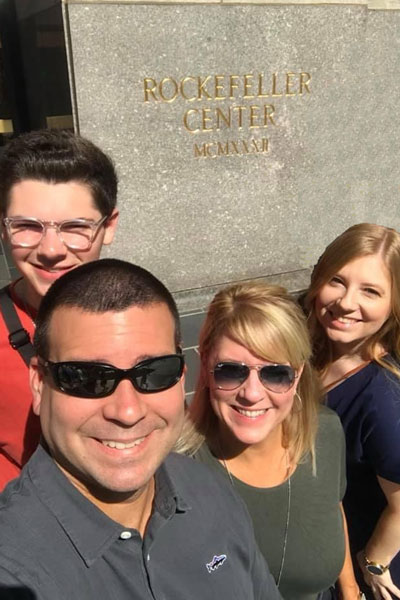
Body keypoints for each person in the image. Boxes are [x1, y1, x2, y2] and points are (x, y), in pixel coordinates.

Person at [0, 259, 281, 600]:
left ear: (181, 377)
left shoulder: (206, 487)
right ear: (40, 384)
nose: (128, 412)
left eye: (153, 373)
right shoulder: (14, 570)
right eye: (87, 378)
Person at [180, 281, 360, 600]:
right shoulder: (175, 468)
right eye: (230, 371)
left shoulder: (325, 433)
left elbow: (331, 506)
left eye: (276, 374)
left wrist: (351, 591)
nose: (251, 394)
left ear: (298, 374)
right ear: (205, 364)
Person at [0, 129, 119, 488]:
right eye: (26, 226)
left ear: (108, 226)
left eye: (75, 227)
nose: (51, 249)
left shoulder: (140, 319)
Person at [305, 223, 400, 600]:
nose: (346, 302)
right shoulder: (313, 346)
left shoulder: (383, 397)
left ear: (393, 304)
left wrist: (373, 562)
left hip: (360, 561)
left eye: (371, 291)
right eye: (337, 280)